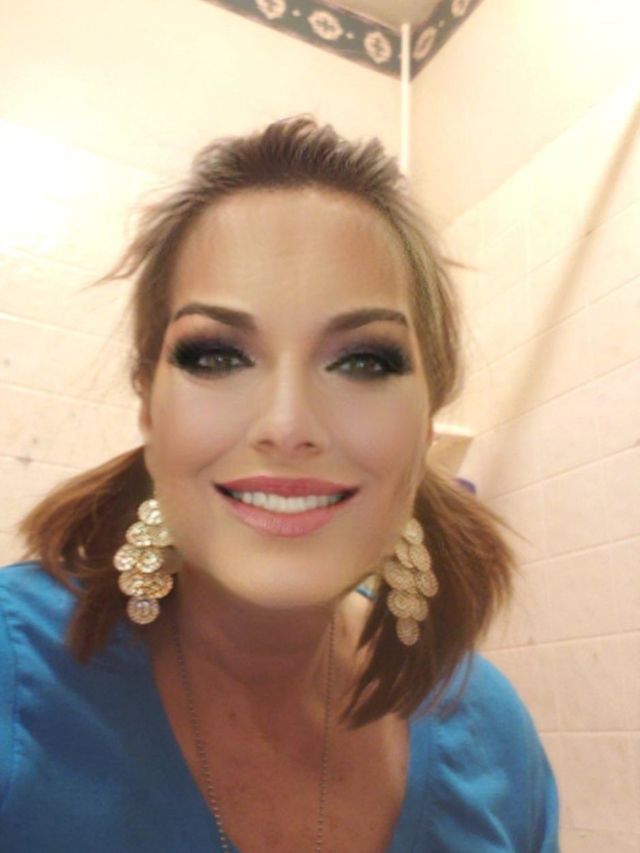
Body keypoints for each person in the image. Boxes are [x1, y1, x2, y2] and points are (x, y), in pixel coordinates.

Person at [0, 115, 559, 852]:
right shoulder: (15, 673)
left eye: (363, 361)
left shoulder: (494, 738)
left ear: (428, 421)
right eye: (216, 356)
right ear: (149, 407)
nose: (288, 425)